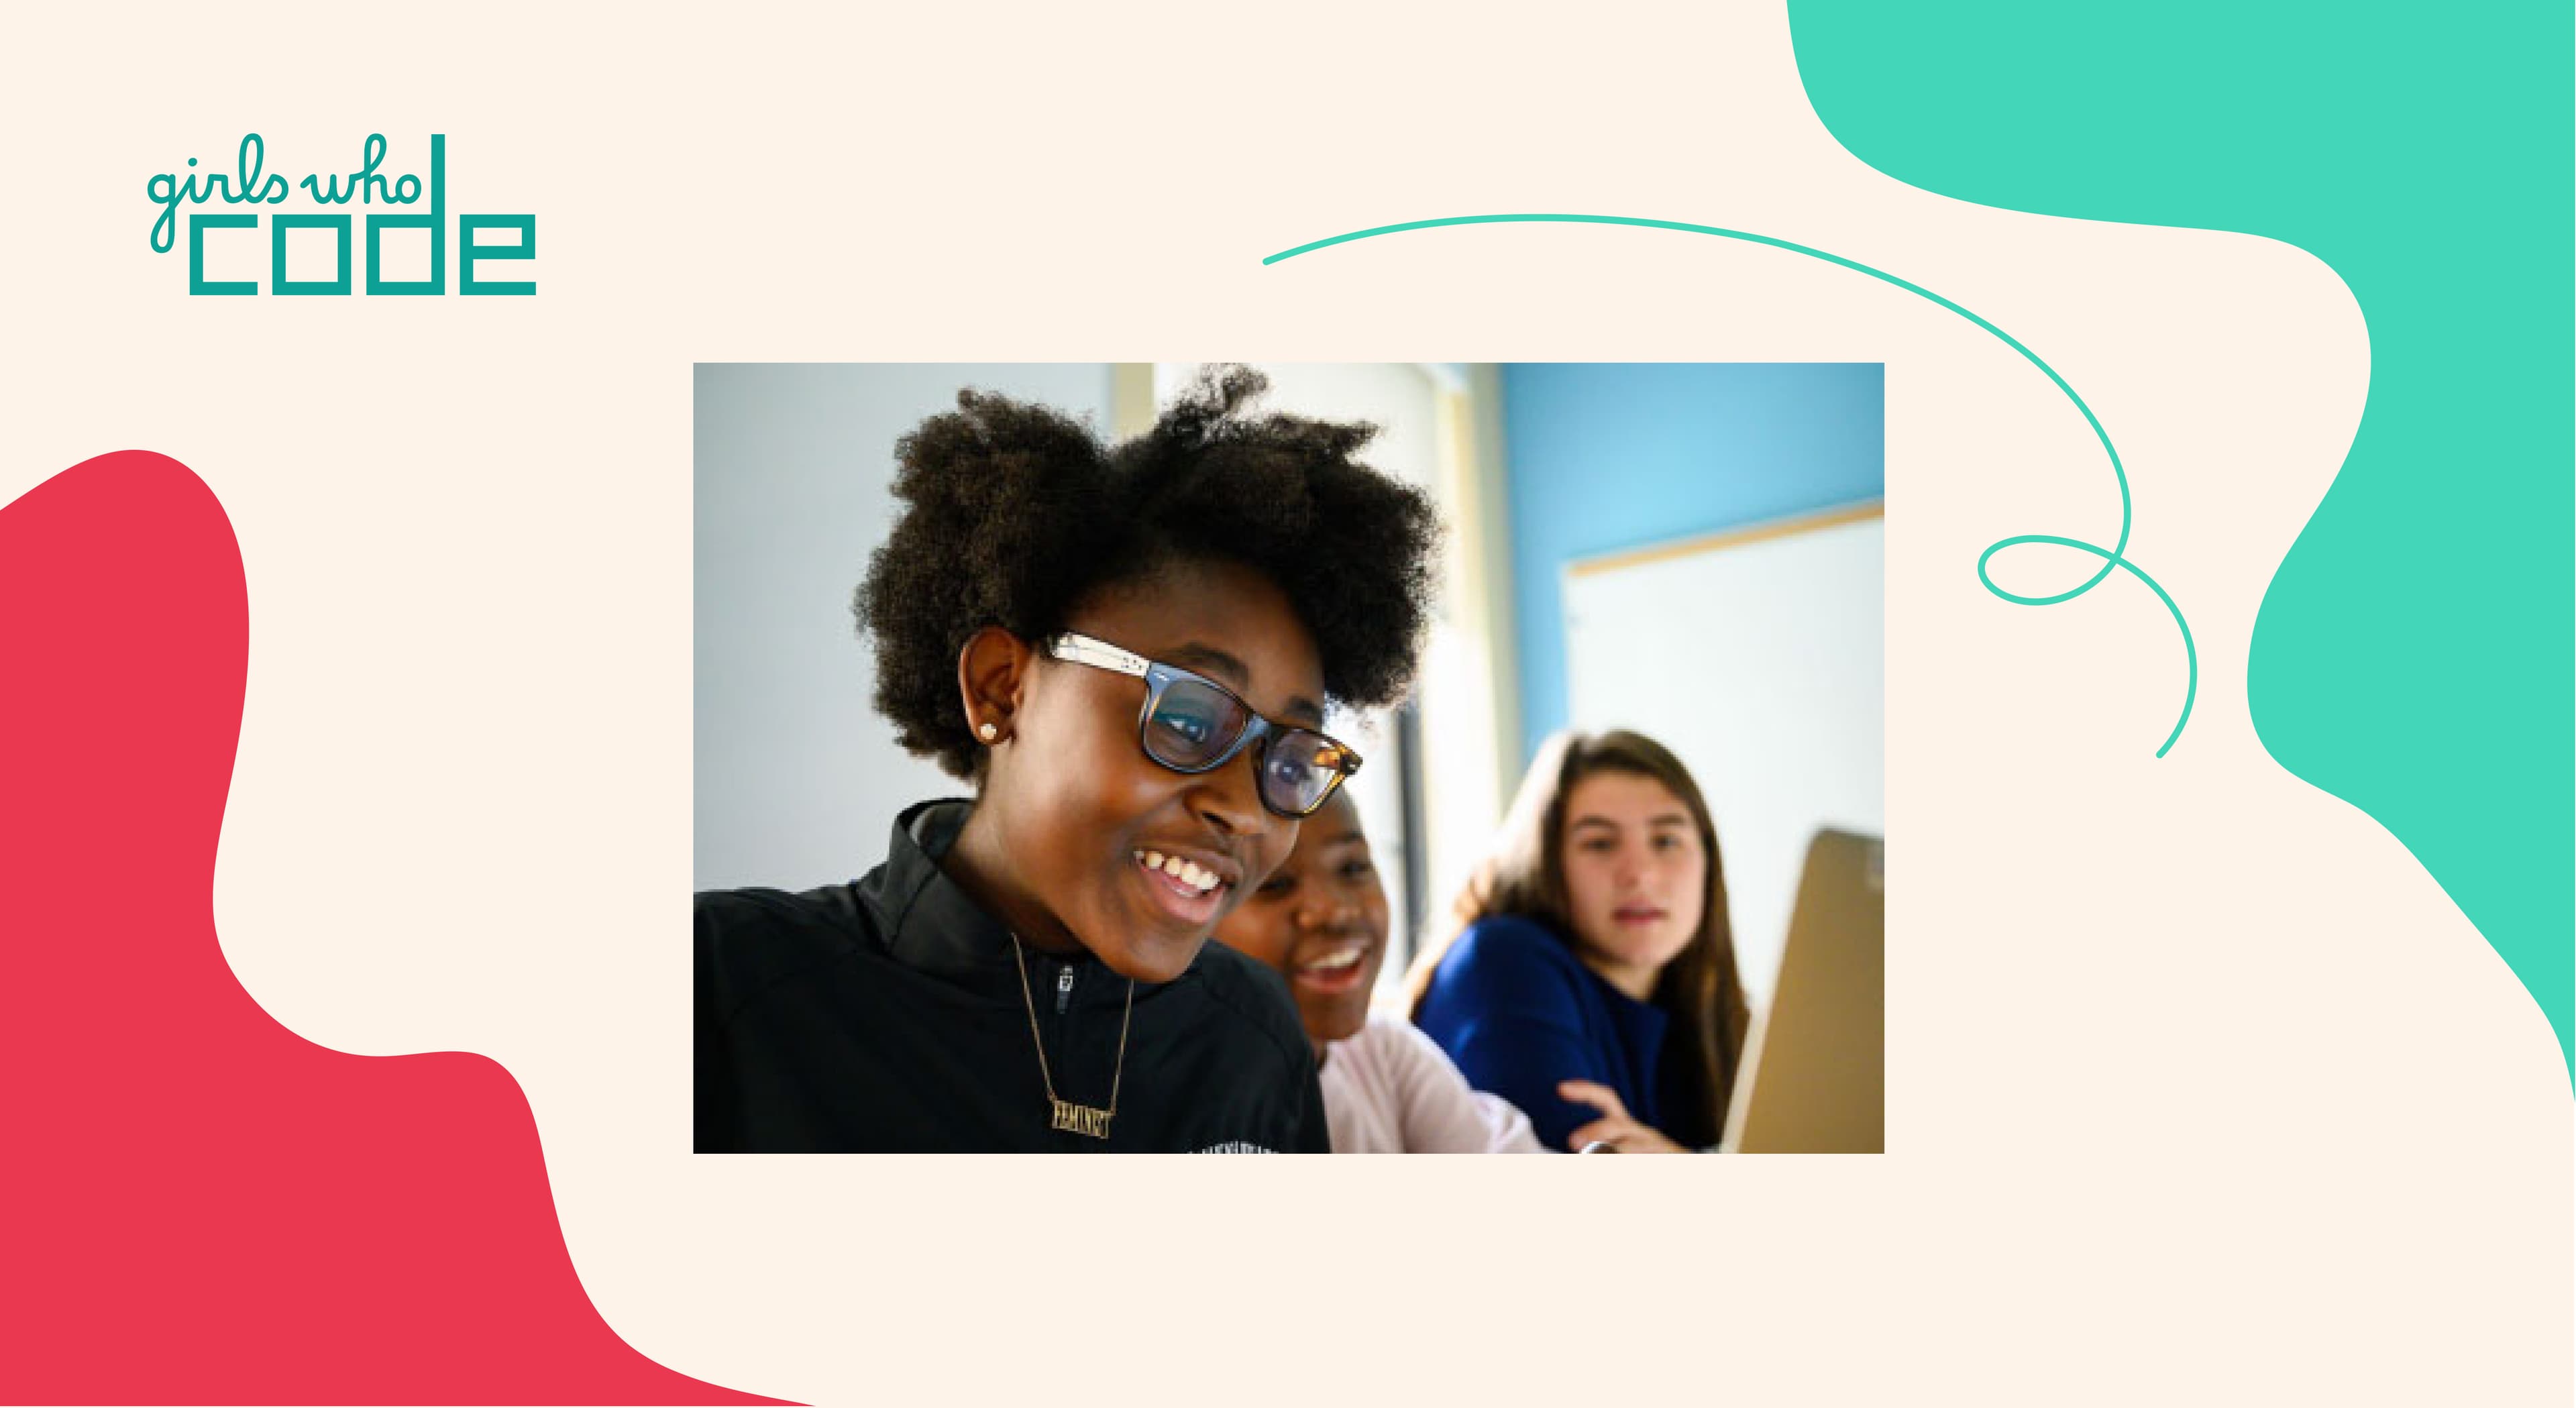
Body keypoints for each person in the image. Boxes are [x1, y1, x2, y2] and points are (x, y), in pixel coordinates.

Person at [696, 367, 1441, 1152]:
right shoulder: (723, 984)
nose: (1246, 810)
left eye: (1288, 758)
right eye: (1189, 718)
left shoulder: (1254, 1035)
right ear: (1003, 687)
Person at [1407, 730, 1750, 1152]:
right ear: (1545, 862)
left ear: (1708, 861)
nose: (1639, 874)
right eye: (1600, 844)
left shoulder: (1706, 1011)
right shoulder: (1504, 962)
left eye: (1665, 841)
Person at [1212, 790, 1542, 1153]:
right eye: (1274, 884)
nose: (1337, 912)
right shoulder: (1181, 1100)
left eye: (1353, 869)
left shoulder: (1385, 1056)